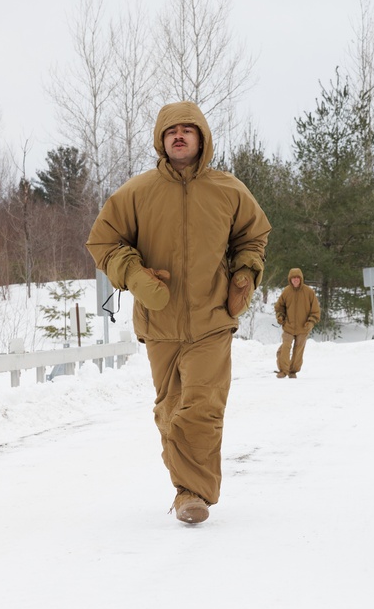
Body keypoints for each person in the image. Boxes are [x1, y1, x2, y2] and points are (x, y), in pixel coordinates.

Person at [86, 101, 270, 526]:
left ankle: (193, 494)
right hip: (160, 321)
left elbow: (254, 236)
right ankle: (185, 485)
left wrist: (245, 272)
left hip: (211, 319)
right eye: (172, 131)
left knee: (203, 404)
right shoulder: (136, 192)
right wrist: (131, 271)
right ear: (161, 140)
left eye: (189, 129)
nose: (180, 136)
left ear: (202, 138)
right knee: (170, 410)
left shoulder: (229, 189)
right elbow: (103, 244)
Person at [273, 268, 321, 378]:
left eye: (297, 278)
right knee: (285, 347)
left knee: (298, 350)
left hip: (303, 327)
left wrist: (311, 322)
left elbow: (315, 311)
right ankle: (283, 370)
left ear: (301, 279)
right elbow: (279, 307)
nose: (295, 280)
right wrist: (280, 316)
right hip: (288, 326)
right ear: (290, 279)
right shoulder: (286, 291)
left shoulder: (309, 292)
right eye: (293, 278)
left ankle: (293, 371)